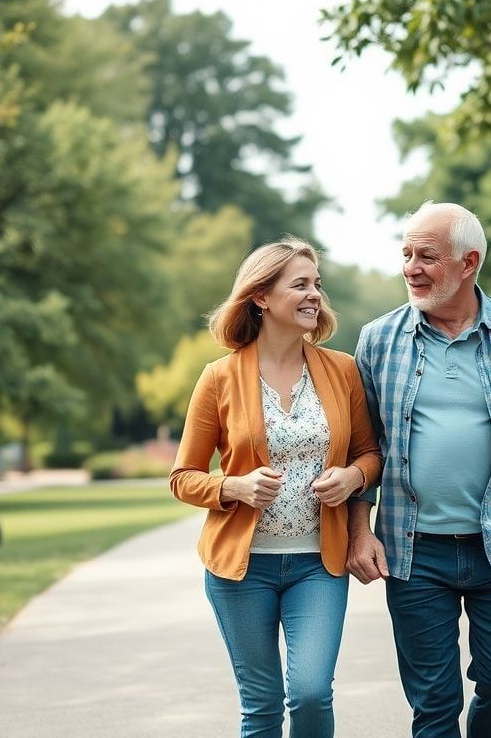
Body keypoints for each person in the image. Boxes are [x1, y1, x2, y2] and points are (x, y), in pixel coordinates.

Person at [348, 202, 491, 738]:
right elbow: (363, 449)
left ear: (468, 262)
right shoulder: (377, 340)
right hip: (414, 551)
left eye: (427, 256)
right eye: (406, 254)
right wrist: (358, 531)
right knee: (433, 705)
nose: (410, 267)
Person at [170, 237, 382, 738]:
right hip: (241, 570)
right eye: (300, 285)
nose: (314, 296)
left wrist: (353, 477)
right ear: (261, 297)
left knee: (310, 692)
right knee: (261, 706)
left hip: (318, 563)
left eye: (317, 285)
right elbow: (183, 477)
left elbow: (370, 454)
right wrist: (234, 487)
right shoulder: (219, 378)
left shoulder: (343, 369)